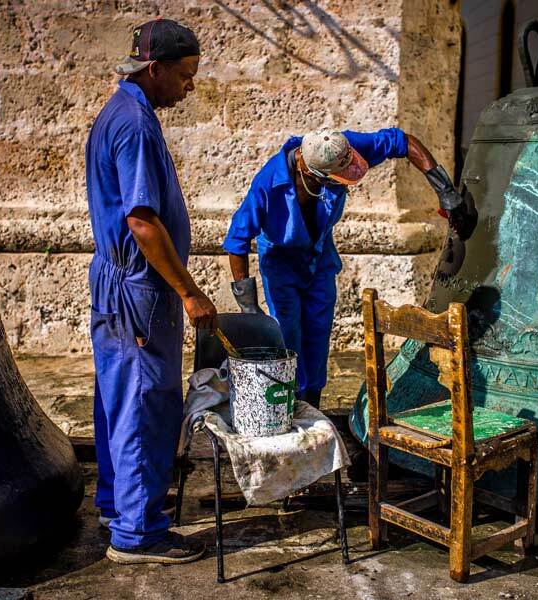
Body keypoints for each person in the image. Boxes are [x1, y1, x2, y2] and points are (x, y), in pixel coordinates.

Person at [85, 18, 216, 565]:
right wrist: (189, 292)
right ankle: (139, 534)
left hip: (120, 282)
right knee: (143, 399)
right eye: (184, 76)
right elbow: (142, 221)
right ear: (154, 69)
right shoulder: (135, 124)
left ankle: (119, 505)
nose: (189, 87)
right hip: (137, 286)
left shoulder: (120, 112)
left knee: (119, 396)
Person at [222, 128, 475, 409]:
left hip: (319, 260)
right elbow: (237, 240)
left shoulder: (341, 147)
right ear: (310, 173)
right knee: (287, 340)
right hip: (281, 266)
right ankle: (287, 410)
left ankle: (314, 408)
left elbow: (403, 142)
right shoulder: (268, 185)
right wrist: (249, 309)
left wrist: (444, 188)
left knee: (318, 335)